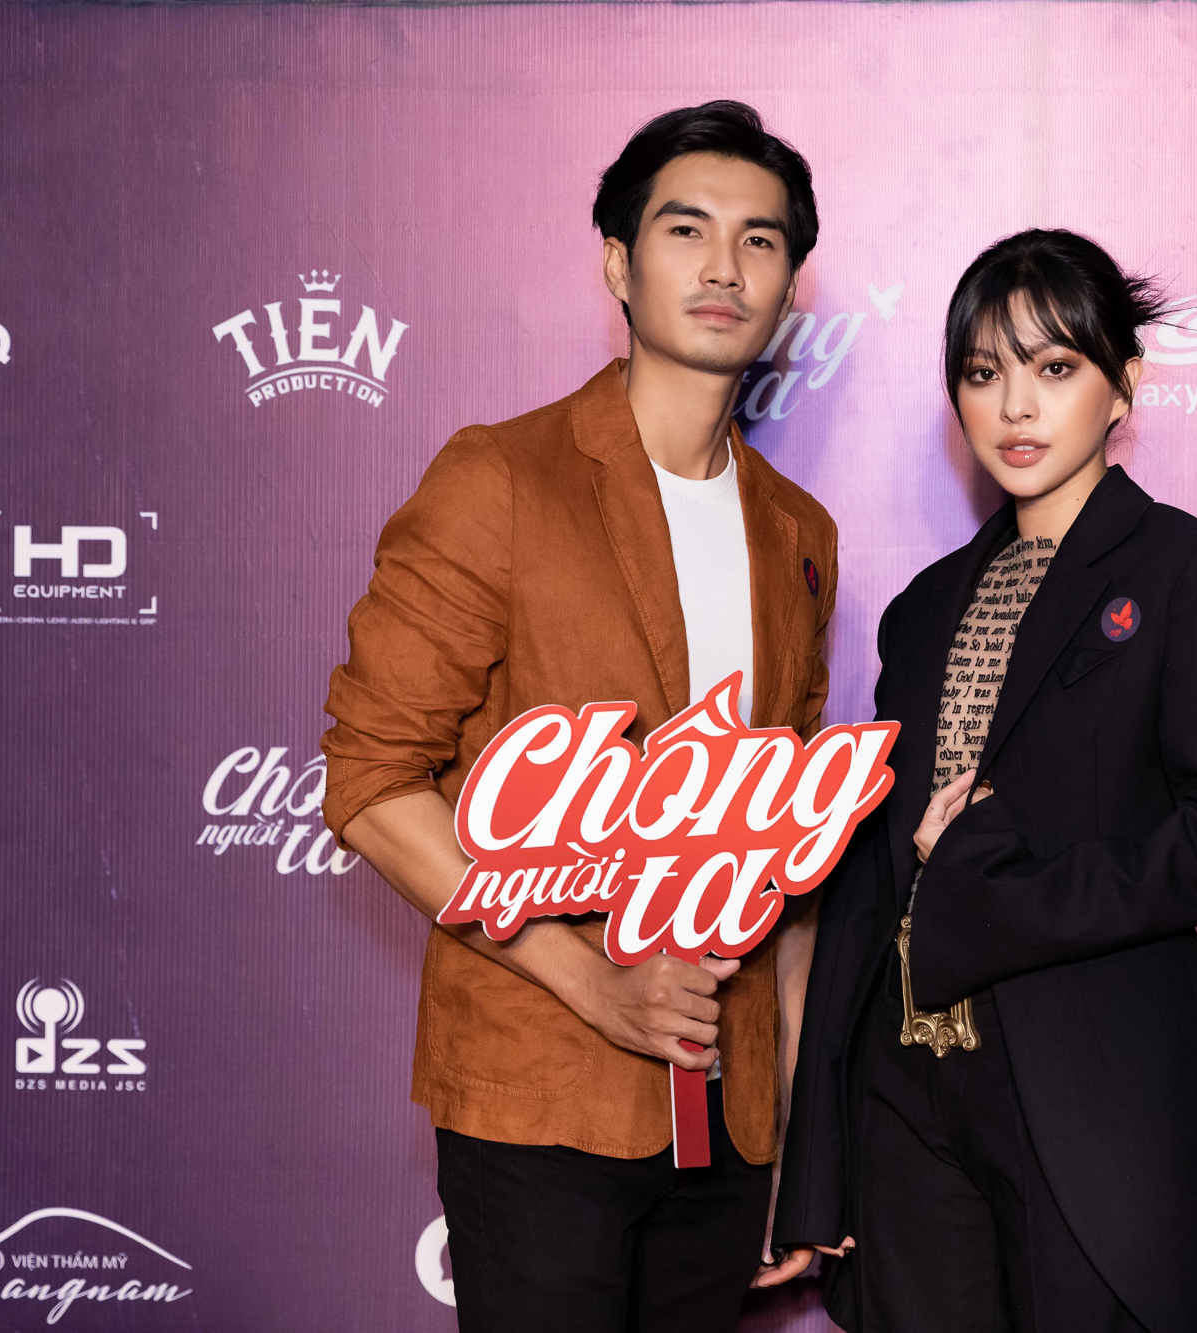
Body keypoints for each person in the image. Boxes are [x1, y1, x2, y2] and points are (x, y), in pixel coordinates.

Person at [320, 101, 839, 1333]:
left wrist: (796, 1129)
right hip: (540, 1094)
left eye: (760, 240)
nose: (723, 267)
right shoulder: (501, 479)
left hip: (730, 1123)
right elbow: (371, 783)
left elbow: (790, 861)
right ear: (617, 261)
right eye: (685, 229)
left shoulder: (798, 532)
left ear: (788, 285)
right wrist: (588, 976)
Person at [764, 229, 1197, 1333]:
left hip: (1087, 1089)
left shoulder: (1187, 572)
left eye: (1054, 367)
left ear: (1123, 385)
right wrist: (815, 1164)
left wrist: (996, 883)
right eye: (981, 372)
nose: (1015, 405)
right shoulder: (922, 609)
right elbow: (867, 885)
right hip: (904, 1094)